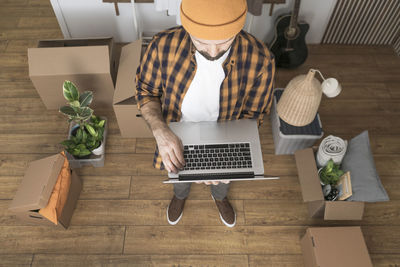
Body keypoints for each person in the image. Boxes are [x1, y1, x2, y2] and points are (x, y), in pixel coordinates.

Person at [135, 0, 275, 227]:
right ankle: (180, 195)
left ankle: (220, 198)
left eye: (223, 43)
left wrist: (229, 156)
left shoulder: (261, 59)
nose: (212, 52)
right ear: (188, 28)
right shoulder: (162, 46)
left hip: (228, 137)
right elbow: (145, 91)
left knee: (222, 182)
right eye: (201, 42)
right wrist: (160, 130)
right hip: (175, 133)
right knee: (178, 176)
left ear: (239, 28)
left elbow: (255, 114)